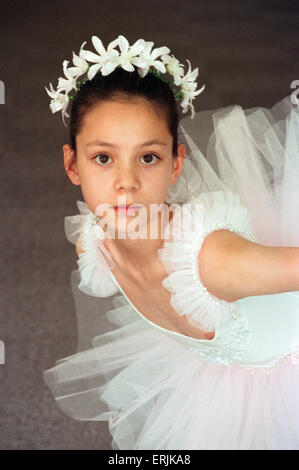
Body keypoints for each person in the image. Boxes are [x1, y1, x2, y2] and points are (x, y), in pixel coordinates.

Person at [43, 34, 299, 450]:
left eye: (148, 157)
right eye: (103, 158)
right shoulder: (94, 246)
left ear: (176, 163)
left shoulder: (214, 262)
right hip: (230, 375)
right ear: (73, 164)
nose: (126, 183)